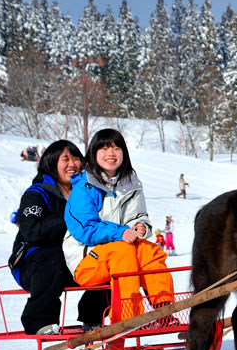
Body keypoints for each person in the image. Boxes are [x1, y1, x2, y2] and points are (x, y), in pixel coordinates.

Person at [64, 129, 175, 320]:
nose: (111, 154)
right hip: (86, 261)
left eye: (116, 148)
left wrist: (140, 226)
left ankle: (163, 308)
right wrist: (121, 232)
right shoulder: (84, 187)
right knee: (121, 251)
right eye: (104, 148)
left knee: (149, 250)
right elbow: (85, 229)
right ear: (93, 153)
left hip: (122, 253)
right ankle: (129, 315)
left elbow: (138, 215)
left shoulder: (131, 184)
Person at [9, 140, 108, 335]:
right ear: (52, 163)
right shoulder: (37, 194)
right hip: (33, 263)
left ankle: (93, 315)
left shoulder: (88, 194)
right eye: (65, 159)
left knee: (112, 259)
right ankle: (40, 321)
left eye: (76, 158)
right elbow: (33, 232)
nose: (72, 164)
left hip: (73, 261)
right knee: (52, 259)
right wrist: (71, 219)